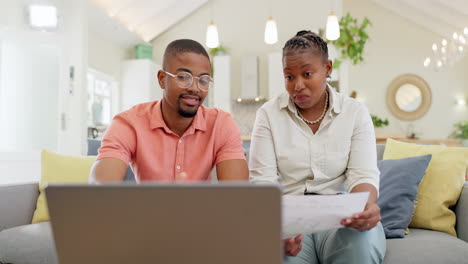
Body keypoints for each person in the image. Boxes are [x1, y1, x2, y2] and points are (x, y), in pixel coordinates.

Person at [249, 30, 386, 263]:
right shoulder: (268, 115)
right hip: (289, 222)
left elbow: (362, 175)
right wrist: (274, 231)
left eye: (307, 73)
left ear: (328, 69)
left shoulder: (354, 112)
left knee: (360, 243)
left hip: (340, 217)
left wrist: (363, 208)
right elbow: (263, 182)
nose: (297, 85)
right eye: (289, 77)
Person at [90, 39, 248, 183]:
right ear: (162, 79)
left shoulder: (221, 124)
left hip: (201, 214)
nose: (194, 88)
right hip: (148, 214)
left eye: (203, 80)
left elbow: (237, 196)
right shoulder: (129, 123)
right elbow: (102, 189)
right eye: (183, 77)